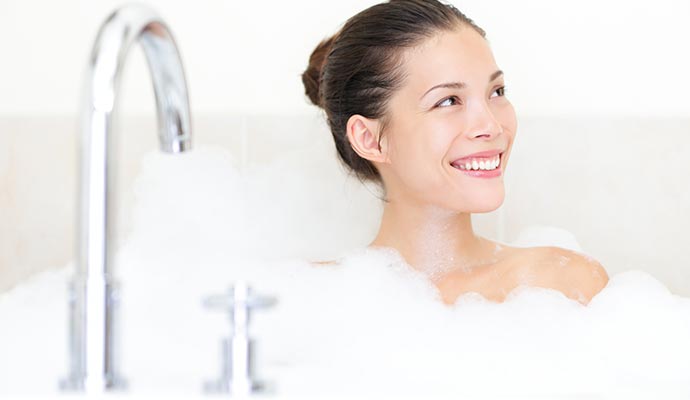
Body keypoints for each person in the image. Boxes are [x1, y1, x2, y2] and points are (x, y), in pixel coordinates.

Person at [302, 0, 608, 305]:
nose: (491, 125)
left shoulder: (563, 285)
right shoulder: (313, 299)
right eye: (448, 101)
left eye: (496, 92)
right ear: (370, 139)